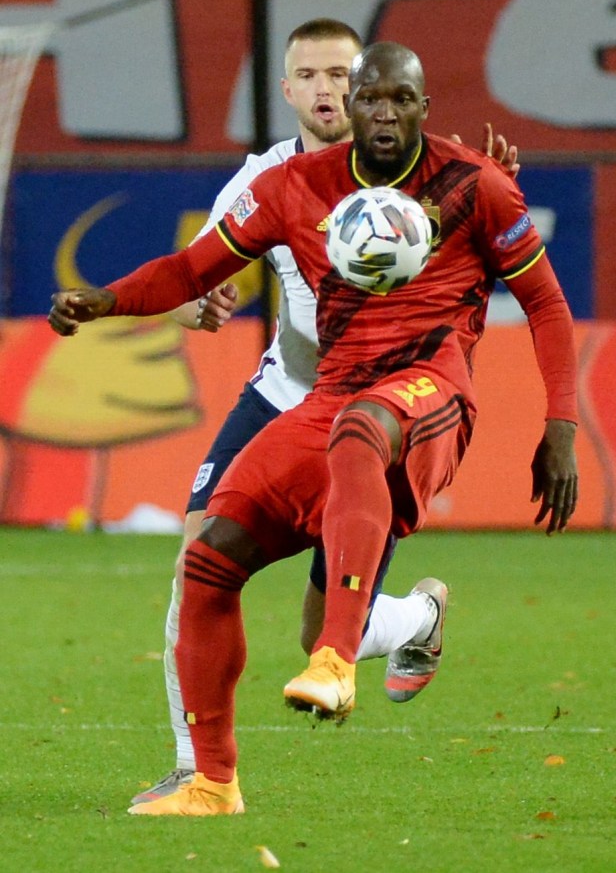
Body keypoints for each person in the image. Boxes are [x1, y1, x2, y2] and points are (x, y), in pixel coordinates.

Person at [49, 40, 577, 819]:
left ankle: (336, 657)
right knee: (208, 555)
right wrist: (105, 300)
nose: (385, 113)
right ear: (352, 110)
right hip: (331, 397)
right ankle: (211, 781)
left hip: (429, 397)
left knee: (362, 429)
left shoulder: (476, 184)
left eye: (401, 99)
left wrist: (560, 426)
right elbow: (192, 270)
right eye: (372, 99)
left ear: (425, 108)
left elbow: (546, 303)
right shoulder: (291, 185)